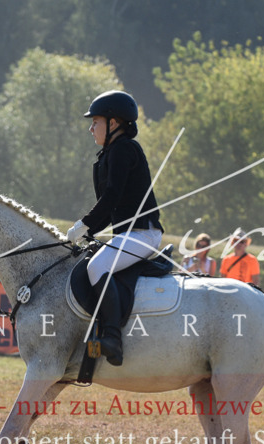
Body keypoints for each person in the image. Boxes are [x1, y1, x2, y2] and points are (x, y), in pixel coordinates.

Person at [66, 90, 164, 366]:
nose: (90, 128)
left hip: (143, 234)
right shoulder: (110, 153)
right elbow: (112, 207)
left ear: (114, 123)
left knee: (96, 267)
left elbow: (111, 197)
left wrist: (84, 225)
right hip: (128, 233)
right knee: (90, 261)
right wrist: (89, 232)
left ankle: (112, 337)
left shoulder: (123, 150)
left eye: (95, 121)